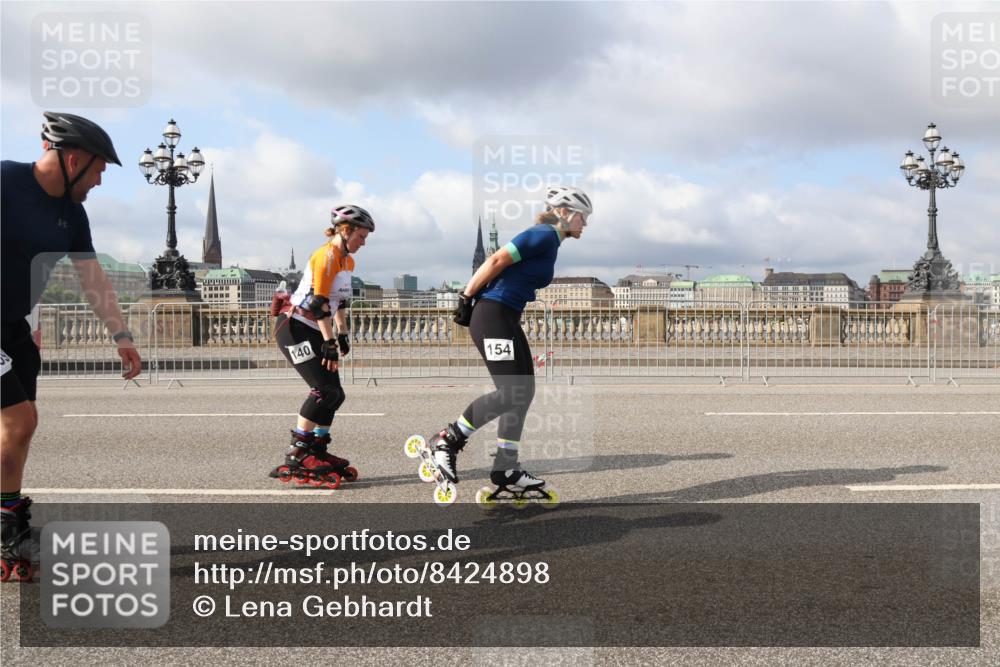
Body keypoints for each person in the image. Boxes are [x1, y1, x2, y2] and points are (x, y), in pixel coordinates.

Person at [1, 112, 141, 582]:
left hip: (12, 328)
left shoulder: (71, 213)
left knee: (16, 430)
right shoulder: (5, 181)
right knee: (19, 420)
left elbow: (92, 276)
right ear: (73, 158)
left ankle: (8, 522)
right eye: (100, 168)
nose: (101, 180)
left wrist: (121, 336)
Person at [427, 185, 592, 501]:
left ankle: (506, 468)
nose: (585, 223)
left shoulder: (551, 241)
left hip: (506, 317)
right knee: (511, 391)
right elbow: (497, 259)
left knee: (523, 392)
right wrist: (465, 296)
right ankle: (448, 440)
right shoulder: (544, 233)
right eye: (584, 217)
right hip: (493, 315)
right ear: (567, 213)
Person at [269, 204, 374, 488]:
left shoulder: (347, 261)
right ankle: (298, 453)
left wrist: (342, 334)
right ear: (346, 230)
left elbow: (339, 302)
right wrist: (328, 342)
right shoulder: (325, 257)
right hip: (294, 327)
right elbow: (317, 303)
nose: (363, 242)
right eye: (361, 236)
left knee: (336, 394)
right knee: (322, 390)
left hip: (317, 326)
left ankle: (317, 448)